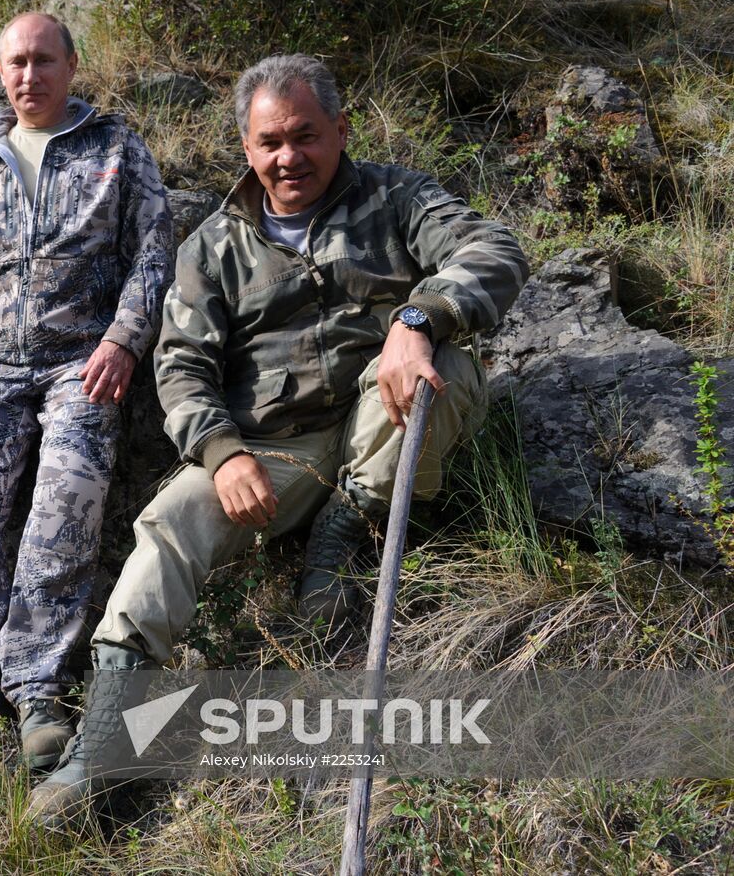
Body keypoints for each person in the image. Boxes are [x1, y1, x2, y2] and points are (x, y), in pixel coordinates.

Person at [28, 53, 529, 821]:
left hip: (378, 416)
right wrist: (222, 453)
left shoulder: (398, 199)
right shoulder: (213, 247)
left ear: (340, 130)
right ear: (247, 148)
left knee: (446, 368)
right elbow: (182, 365)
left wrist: (417, 320)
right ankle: (100, 746)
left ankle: (346, 537)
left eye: (305, 135)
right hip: (271, 448)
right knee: (171, 523)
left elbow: (493, 249)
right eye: (270, 142)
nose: (288, 157)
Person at [0, 12, 173, 771]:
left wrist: (124, 339)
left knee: (64, 502)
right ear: (1, 73)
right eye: (16, 64)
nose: (29, 76)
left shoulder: (116, 147)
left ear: (71, 64)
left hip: (80, 362)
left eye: (43, 61)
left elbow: (155, 250)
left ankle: (37, 692)